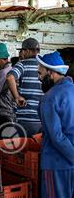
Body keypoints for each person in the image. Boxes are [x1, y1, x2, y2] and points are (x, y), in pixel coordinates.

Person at [36, 51, 74, 198]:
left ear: (51, 73)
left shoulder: (50, 97)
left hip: (57, 164)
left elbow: (56, 137)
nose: (39, 78)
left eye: (40, 74)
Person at [6, 38, 44, 137]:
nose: (21, 53)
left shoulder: (22, 64)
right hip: (42, 118)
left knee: (23, 149)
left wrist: (17, 97)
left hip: (26, 119)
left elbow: (10, 77)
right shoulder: (43, 66)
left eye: (22, 50)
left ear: (27, 51)